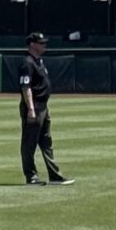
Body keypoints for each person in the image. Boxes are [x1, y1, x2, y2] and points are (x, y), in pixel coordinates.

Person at [19, 31, 72, 186]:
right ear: (32, 44)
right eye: (41, 43)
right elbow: (26, 87)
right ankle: (31, 176)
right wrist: (30, 109)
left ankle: (54, 175)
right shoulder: (27, 63)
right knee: (29, 143)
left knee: (46, 142)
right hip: (34, 106)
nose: (44, 45)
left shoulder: (39, 61)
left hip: (43, 106)